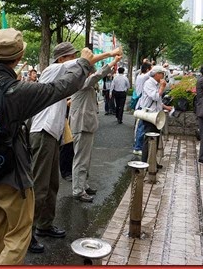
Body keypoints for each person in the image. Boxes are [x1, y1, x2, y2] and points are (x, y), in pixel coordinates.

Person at [0, 29, 96, 264]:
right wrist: (82, 62)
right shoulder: (17, 91)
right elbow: (60, 88)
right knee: (17, 236)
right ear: (19, 56)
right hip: (10, 174)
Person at [29, 43, 119, 251]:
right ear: (62, 59)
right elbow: (85, 62)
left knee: (51, 185)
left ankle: (44, 224)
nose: (75, 61)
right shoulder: (54, 69)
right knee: (39, 186)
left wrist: (111, 61)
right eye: (71, 56)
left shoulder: (64, 77)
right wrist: (110, 53)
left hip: (52, 134)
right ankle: (27, 233)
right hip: (43, 133)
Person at [70, 53, 122, 203]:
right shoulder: (81, 82)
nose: (93, 74)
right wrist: (113, 61)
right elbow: (98, 76)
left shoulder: (85, 83)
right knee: (80, 159)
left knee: (85, 158)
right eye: (91, 71)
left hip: (86, 124)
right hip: (82, 124)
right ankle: (78, 190)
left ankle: (83, 185)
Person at [138, 66, 173, 167]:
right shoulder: (149, 83)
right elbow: (155, 96)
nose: (163, 76)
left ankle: (153, 161)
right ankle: (145, 162)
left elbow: (158, 101)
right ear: (157, 74)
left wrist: (166, 107)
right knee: (149, 138)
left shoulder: (156, 83)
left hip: (156, 114)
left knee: (156, 138)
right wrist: (162, 87)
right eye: (162, 73)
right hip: (149, 114)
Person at [132, 62, 152, 155]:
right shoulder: (143, 77)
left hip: (140, 104)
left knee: (139, 127)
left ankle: (137, 145)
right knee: (141, 127)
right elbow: (151, 73)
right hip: (141, 105)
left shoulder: (139, 76)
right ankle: (137, 147)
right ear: (148, 70)